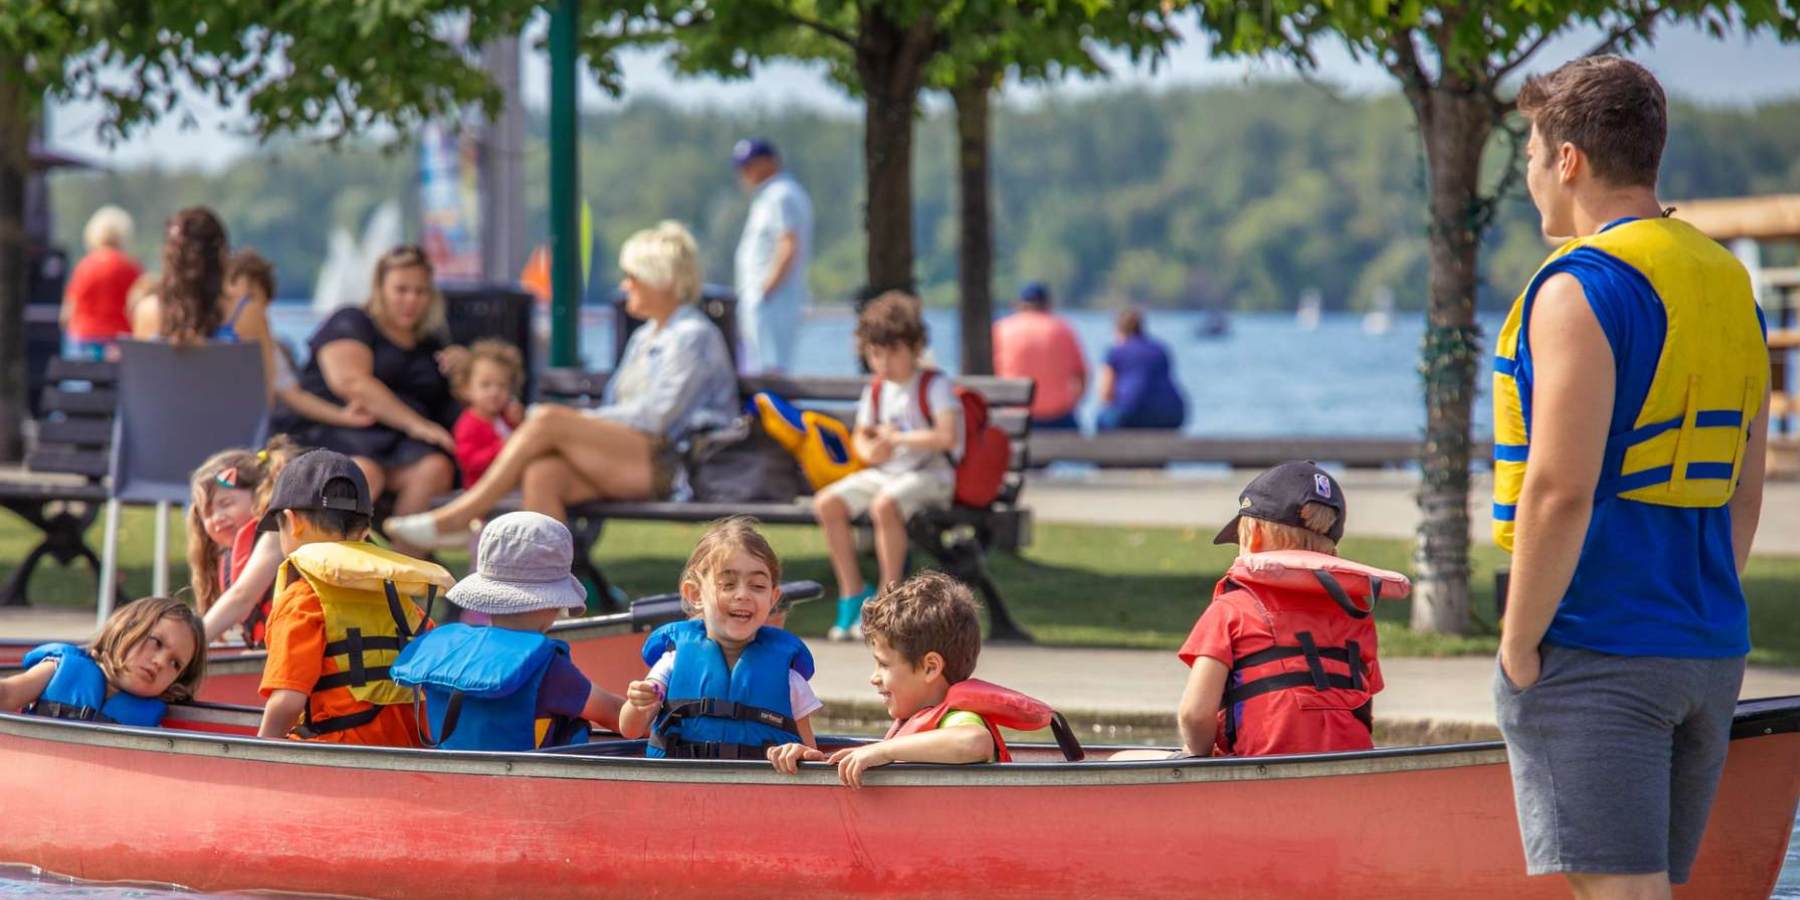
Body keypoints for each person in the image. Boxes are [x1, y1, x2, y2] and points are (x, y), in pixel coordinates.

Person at [1491, 57, 1770, 896]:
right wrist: (1696, 614)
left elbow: (1558, 489)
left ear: (1568, 160)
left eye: (1533, 155)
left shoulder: (1581, 290)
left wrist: (1516, 645)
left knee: (1619, 895)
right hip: (1707, 647)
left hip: (1597, 642)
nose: (1531, 177)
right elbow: (1743, 489)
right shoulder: (1729, 284)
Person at [384, 222, 737, 548]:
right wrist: (578, 424)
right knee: (543, 473)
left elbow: (658, 419)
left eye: (633, 276)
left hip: (677, 468)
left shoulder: (692, 336)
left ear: (661, 279)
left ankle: (460, 517)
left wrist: (574, 423)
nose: (624, 284)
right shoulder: (646, 335)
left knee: (547, 420)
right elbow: (622, 406)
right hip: (638, 458)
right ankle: (551, 599)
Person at [1113, 462, 1389, 762]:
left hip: (1257, 768)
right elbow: (1361, 708)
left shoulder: (1231, 610)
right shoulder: (1356, 613)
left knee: (1120, 760)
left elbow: (1194, 714)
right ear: (1332, 550)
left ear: (1253, 538)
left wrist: (1196, 754)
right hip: (1347, 767)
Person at [769, 571, 1054, 787]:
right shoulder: (917, 723)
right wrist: (810, 758)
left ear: (930, 667)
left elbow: (974, 742)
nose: (874, 678)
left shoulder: (956, 720)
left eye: (883, 665)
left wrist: (884, 751)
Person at [273, 245, 463, 555]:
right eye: (401, 289)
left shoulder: (433, 341)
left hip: (396, 446)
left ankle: (401, 578)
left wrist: (462, 368)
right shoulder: (352, 322)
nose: (411, 300)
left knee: (435, 468)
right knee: (359, 474)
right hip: (338, 432)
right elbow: (351, 382)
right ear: (380, 289)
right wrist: (417, 426)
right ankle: (327, 572)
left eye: (420, 291)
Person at [256, 449, 453, 745]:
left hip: (336, 752)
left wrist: (261, 750)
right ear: (363, 532)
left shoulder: (302, 599)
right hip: (407, 746)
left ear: (291, 520)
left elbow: (288, 700)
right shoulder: (395, 592)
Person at [390, 512, 625, 751]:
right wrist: (650, 711)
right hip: (527, 783)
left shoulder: (445, 651)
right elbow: (616, 714)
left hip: (453, 780)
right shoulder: (548, 667)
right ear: (554, 605)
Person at [813, 292, 960, 641]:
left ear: (915, 347)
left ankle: (886, 596)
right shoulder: (877, 390)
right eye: (875, 353)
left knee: (885, 504)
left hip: (931, 474)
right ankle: (852, 591)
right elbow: (861, 440)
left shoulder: (934, 385)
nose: (884, 362)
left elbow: (947, 437)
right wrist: (874, 450)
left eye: (893, 352)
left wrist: (899, 440)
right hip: (888, 472)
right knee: (827, 503)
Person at [617, 516, 820, 758]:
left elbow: (812, 755)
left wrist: (801, 753)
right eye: (728, 584)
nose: (743, 594)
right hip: (683, 789)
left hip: (759, 792)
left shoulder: (790, 679)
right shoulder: (672, 662)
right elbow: (630, 729)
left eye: (757, 586)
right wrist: (639, 704)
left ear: (773, 598)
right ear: (694, 594)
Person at [129, 207, 281, 398]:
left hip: (160, 427)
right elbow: (265, 394)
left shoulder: (146, 311)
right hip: (228, 426)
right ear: (222, 255)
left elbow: (141, 392)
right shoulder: (246, 314)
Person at [0, 597, 205, 728]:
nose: (161, 662)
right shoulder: (58, 669)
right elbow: (7, 694)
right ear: (125, 629)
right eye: (156, 642)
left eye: (175, 664)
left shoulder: (153, 722)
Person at [226, 250, 374, 431]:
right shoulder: (205, 336)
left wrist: (343, 416)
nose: (244, 308)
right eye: (233, 298)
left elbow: (295, 395)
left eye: (251, 299)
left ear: (266, 305)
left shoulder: (270, 350)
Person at [199, 436, 307, 646]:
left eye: (226, 503)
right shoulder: (228, 555)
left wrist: (190, 645)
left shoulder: (276, 535)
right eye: (208, 513)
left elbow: (242, 598)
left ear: (259, 494)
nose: (217, 517)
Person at [732, 138, 813, 375]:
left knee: (772, 368)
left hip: (772, 299)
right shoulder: (769, 196)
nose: (744, 172)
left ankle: (771, 412)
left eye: (750, 164)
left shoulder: (781, 195)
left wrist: (765, 290)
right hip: (764, 298)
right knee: (758, 364)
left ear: (770, 162)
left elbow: (788, 243)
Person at [991, 281, 1086, 430]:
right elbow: (1082, 375)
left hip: (1014, 416)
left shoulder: (1001, 329)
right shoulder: (1063, 329)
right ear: (1047, 304)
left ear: (1019, 304)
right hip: (1059, 418)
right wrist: (1073, 403)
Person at [60, 205, 142, 360]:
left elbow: (68, 311)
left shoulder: (84, 266)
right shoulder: (131, 267)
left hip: (83, 340)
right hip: (119, 342)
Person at [1096, 308, 1186, 431]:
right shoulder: (1160, 349)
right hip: (1172, 413)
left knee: (1102, 420)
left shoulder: (1116, 352)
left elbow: (1105, 393)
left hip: (1134, 413)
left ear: (1118, 330)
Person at [451, 339, 526, 485]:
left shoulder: (506, 418)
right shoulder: (468, 423)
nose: (494, 392)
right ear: (466, 388)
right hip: (484, 490)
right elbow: (469, 463)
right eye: (485, 385)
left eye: (502, 385)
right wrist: (502, 447)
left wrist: (520, 422)